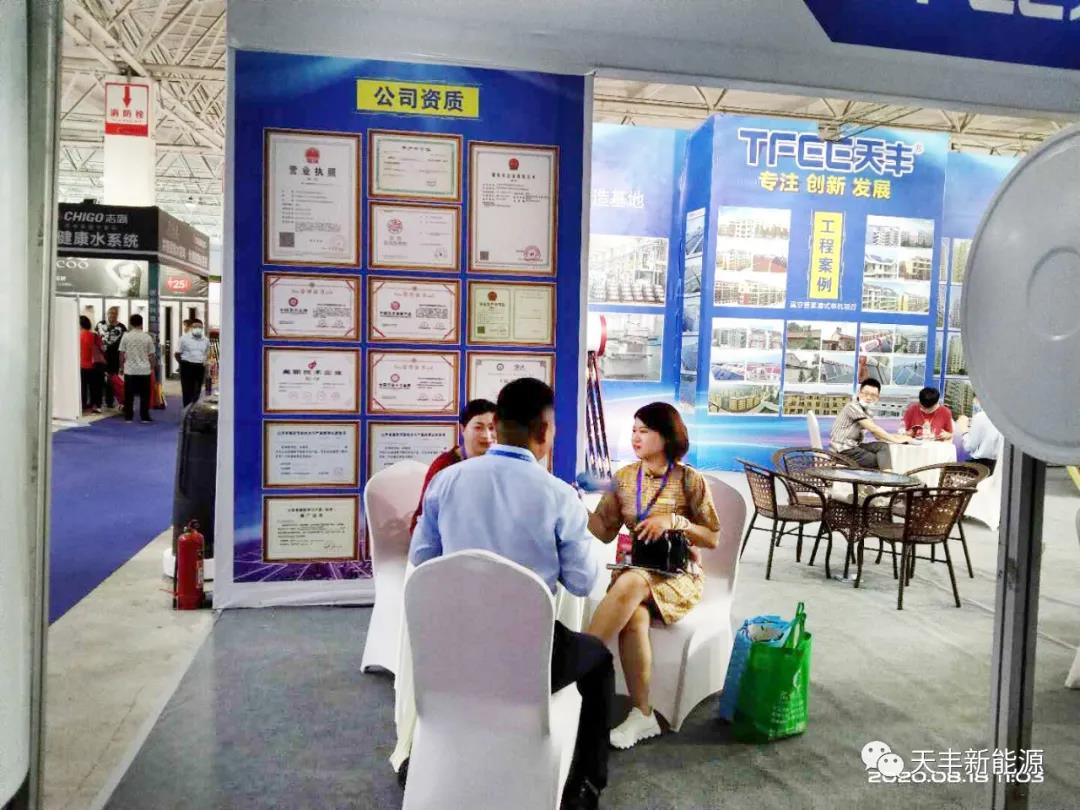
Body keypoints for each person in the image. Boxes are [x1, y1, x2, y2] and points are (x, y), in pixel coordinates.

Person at [409, 378, 611, 810]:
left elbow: (422, 559)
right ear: (544, 431)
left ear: (496, 426)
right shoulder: (559, 496)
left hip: (450, 655)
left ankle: (425, 753)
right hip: (526, 662)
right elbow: (584, 583)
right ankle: (585, 786)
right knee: (598, 658)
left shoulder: (445, 482)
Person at [584, 402, 722, 750]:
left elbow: (712, 537)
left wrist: (675, 521)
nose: (635, 437)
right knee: (634, 618)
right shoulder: (624, 478)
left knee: (631, 582)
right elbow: (604, 531)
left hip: (677, 575)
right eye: (633, 430)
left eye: (644, 431)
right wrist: (573, 505)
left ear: (666, 436)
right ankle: (643, 714)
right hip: (636, 570)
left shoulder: (689, 479)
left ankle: (577, 664)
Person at [410, 398, 497, 532]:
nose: (487, 435)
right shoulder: (445, 465)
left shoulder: (500, 464)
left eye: (492, 428)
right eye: (478, 427)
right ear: (463, 429)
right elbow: (423, 519)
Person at [829, 378, 910, 469]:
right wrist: (896, 440)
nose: (869, 398)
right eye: (866, 394)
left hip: (853, 446)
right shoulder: (852, 406)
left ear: (878, 397)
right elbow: (873, 428)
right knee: (878, 460)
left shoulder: (867, 411)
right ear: (859, 393)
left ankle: (887, 475)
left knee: (882, 447)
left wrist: (899, 437)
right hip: (842, 449)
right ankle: (887, 477)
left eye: (873, 395)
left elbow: (877, 436)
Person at [118, 313, 157, 423]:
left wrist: (121, 367)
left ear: (130, 324)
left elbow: (121, 353)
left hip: (130, 370)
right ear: (141, 323)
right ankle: (144, 416)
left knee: (129, 394)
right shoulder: (147, 337)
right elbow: (152, 355)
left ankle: (128, 416)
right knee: (145, 395)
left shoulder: (126, 336)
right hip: (144, 370)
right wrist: (152, 367)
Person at [956, 398, 1003, 475]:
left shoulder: (980, 416)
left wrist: (964, 431)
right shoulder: (1003, 418)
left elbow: (969, 446)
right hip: (996, 467)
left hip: (979, 467)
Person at [95, 306, 126, 409]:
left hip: (114, 359)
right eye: (110, 313)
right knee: (100, 380)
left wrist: (122, 362)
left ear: (117, 315)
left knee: (112, 381)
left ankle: (110, 401)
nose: (112, 315)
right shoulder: (100, 325)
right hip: (100, 358)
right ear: (107, 314)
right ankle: (98, 402)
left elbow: (124, 345)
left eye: (114, 313)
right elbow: (95, 339)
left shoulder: (122, 327)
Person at [175, 318, 210, 407]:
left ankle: (194, 409)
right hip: (187, 366)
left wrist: (205, 364)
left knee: (197, 390)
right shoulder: (184, 339)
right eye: (195, 327)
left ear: (202, 328)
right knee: (187, 390)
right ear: (191, 327)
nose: (198, 329)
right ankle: (186, 410)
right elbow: (177, 353)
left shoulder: (206, 340)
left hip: (200, 367)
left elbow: (207, 353)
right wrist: (182, 363)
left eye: (200, 327)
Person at [78, 316, 103, 414]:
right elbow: (102, 348)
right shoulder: (94, 335)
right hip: (95, 365)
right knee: (95, 387)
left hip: (81, 365)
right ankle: (96, 405)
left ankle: (82, 405)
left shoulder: (78, 336)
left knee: (82, 387)